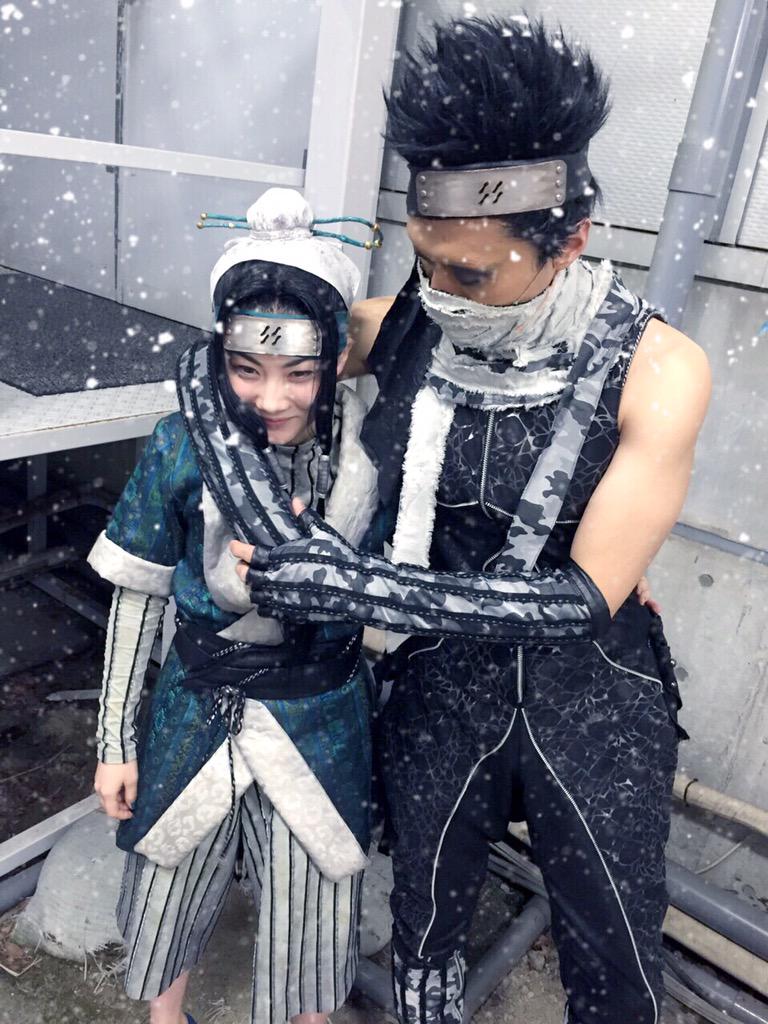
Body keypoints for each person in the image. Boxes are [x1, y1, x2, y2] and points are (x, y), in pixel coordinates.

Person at [232, 17, 711, 1024]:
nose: (441, 294)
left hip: (592, 688)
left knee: (615, 938)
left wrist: (355, 585)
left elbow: (583, 598)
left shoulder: (660, 368)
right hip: (438, 681)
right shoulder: (410, 318)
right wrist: (269, 281)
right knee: (424, 916)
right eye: (425, 261)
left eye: (473, 275)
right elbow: (262, 350)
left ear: (569, 240)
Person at [89, 187, 381, 1024]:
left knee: (314, 910)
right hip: (197, 704)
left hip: (323, 710)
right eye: (247, 369)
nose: (272, 397)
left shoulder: (377, 449)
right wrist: (114, 743)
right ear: (219, 353)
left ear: (335, 360)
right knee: (166, 889)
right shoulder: (181, 441)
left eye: (299, 372)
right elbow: (138, 595)